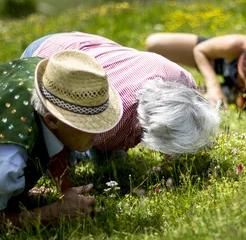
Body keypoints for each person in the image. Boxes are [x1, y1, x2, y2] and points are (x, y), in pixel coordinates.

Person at [21, 31, 221, 159]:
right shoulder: (106, 123)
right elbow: (62, 131)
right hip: (46, 58)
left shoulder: (183, 80)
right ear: (144, 127)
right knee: (72, 151)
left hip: (81, 42)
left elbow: (190, 119)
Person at [0, 50, 123, 227]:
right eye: (87, 125)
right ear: (52, 120)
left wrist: (61, 189)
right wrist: (54, 213)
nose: (98, 132)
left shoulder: (54, 80)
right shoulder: (9, 163)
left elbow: (53, 140)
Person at [145, 33, 246, 108]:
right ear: (240, 69)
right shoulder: (234, 45)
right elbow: (199, 50)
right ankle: (217, 90)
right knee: (155, 43)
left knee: (184, 96)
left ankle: (222, 92)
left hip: (244, 90)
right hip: (214, 58)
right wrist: (213, 87)